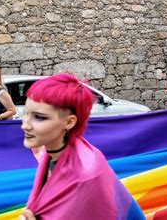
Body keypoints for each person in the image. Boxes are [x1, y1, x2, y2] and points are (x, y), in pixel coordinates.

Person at [19, 73, 144, 220]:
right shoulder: (52, 151)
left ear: (69, 122)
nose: (25, 124)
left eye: (39, 117)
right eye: (27, 112)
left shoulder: (85, 174)